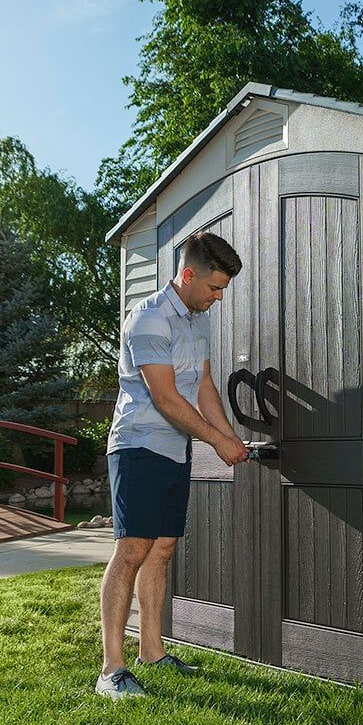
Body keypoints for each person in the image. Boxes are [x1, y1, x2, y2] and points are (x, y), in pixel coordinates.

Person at [96, 229, 249, 699]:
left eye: (223, 288)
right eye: (214, 287)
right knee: (133, 550)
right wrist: (217, 443)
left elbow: (202, 385)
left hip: (175, 448)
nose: (219, 297)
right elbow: (164, 398)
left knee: (162, 549)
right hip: (138, 445)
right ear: (187, 275)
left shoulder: (198, 320)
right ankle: (111, 671)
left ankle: (153, 651)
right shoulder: (147, 319)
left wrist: (227, 436)